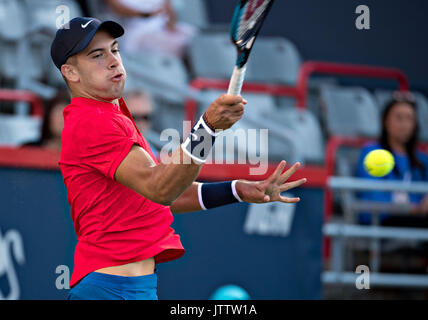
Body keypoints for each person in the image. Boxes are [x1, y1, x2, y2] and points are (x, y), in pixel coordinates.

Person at [50, 17, 306, 300]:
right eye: (97, 56)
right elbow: (160, 187)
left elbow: (165, 195)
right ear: (70, 72)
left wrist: (237, 190)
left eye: (115, 49)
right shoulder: (93, 121)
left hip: (135, 289)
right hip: (108, 291)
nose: (113, 61)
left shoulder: (112, 116)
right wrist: (207, 127)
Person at [356, 91, 428, 226]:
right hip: (382, 221)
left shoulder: (423, 160)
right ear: (385, 120)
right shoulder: (372, 153)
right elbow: (373, 197)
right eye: (399, 118)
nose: (405, 124)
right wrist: (414, 208)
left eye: (409, 118)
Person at [105, 0, 196, 58]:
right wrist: (147, 14)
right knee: (177, 43)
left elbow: (168, 9)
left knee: (194, 35)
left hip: (162, 28)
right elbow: (119, 9)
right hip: (136, 31)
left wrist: (171, 26)